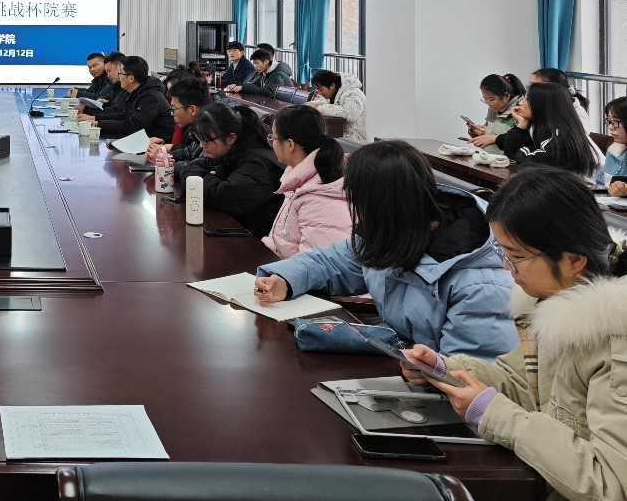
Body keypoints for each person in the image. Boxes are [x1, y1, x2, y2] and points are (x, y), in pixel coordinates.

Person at [401, 167, 627, 501]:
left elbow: (611, 485)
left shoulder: (615, 341)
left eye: (517, 257)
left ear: (573, 260)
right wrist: (445, 370)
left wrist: (495, 414)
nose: (506, 267)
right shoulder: (555, 303)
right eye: (502, 253)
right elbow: (522, 382)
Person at [253, 140, 517, 358]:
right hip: (400, 366)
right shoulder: (392, 235)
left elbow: (470, 380)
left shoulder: (479, 284)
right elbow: (331, 262)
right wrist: (286, 280)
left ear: (380, 206)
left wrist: (428, 370)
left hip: (439, 395)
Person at [176, 102, 283, 236]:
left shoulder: (258, 164)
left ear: (231, 137)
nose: (202, 146)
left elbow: (221, 195)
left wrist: (192, 177)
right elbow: (198, 165)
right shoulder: (230, 150)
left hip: (256, 241)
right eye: (199, 139)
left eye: (206, 140)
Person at [263, 105, 352, 258]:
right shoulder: (301, 179)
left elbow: (316, 266)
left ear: (290, 145)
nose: (272, 143)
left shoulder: (320, 197)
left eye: (274, 138)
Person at [493, 83, 601, 178]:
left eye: (526, 99)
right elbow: (512, 154)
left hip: (593, 189)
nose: (520, 103)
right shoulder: (542, 126)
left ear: (541, 104)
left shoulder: (562, 134)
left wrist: (524, 151)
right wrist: (521, 124)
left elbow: (532, 161)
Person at [79, 55, 174, 141]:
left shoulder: (150, 97)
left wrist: (97, 124)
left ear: (131, 78)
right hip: (140, 140)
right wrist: (94, 119)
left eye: (121, 73)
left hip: (156, 146)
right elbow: (123, 115)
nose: (119, 77)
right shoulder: (136, 91)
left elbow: (132, 126)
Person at [146, 78, 208, 164]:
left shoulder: (207, 131)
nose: (172, 113)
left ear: (192, 110)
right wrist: (162, 143)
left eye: (174, 108)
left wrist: (164, 159)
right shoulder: (190, 126)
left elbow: (196, 163)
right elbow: (187, 152)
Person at [467, 73, 527, 154]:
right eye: (485, 100)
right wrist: (475, 132)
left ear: (506, 96)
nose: (488, 104)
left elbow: (514, 142)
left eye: (491, 100)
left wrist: (487, 133)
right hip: (488, 157)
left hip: (507, 160)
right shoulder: (493, 109)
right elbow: (487, 134)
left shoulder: (520, 110)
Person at [307, 68, 367, 145]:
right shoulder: (336, 92)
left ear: (332, 85)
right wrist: (310, 105)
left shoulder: (353, 93)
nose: (319, 93)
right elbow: (324, 102)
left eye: (321, 90)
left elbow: (351, 114)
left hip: (357, 138)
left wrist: (319, 108)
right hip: (343, 133)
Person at [530, 67, 594, 132]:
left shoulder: (578, 115)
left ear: (552, 90)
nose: (530, 91)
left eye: (534, 87)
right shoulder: (539, 107)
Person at [598, 96, 627, 195]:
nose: (611, 127)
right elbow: (600, 183)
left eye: (615, 122)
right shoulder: (614, 150)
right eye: (609, 121)